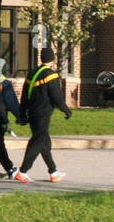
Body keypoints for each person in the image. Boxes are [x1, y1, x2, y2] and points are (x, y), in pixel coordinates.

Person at [13, 48, 71, 183]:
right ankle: (23, 171)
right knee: (38, 141)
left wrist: (22, 113)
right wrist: (66, 110)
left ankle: (53, 171)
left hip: (32, 112)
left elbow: (24, 95)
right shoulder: (51, 75)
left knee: (44, 142)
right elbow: (56, 96)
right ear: (52, 59)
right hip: (43, 113)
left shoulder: (32, 74)